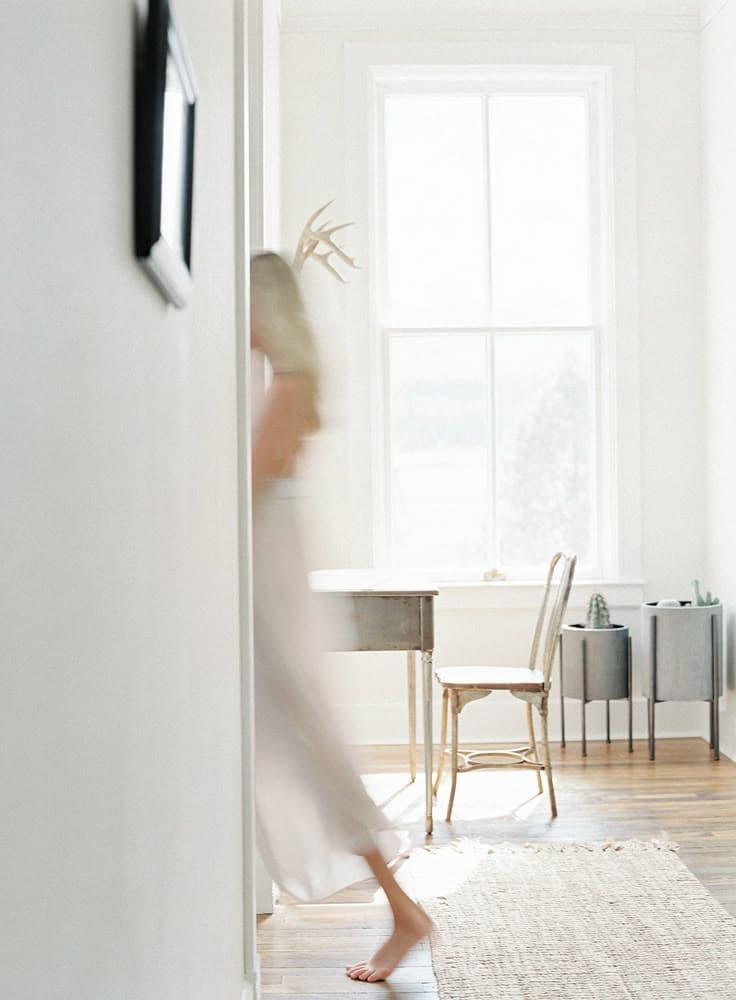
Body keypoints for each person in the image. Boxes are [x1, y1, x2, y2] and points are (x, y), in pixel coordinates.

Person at [250, 251, 431, 983]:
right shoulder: (279, 385)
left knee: (313, 745)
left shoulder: (287, 390)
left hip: (271, 588)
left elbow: (241, 492)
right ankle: (402, 908)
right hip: (269, 581)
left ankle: (403, 908)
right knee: (298, 746)